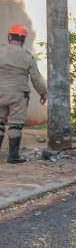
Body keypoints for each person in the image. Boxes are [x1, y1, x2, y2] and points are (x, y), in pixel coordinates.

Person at [0, 24, 47, 164]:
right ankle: (13, 156)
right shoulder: (28, 57)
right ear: (24, 40)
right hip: (18, 95)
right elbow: (36, 78)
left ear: (9, 37)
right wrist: (43, 93)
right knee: (15, 124)